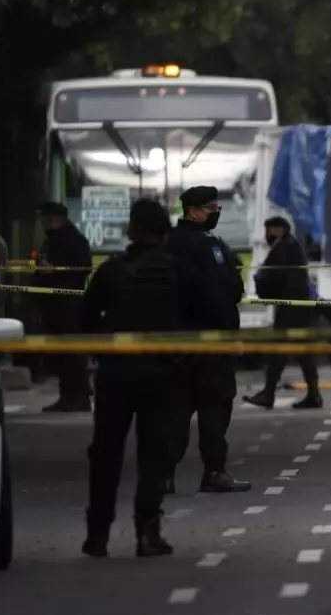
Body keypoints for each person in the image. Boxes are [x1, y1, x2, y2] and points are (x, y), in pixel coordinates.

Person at [79, 199, 227, 557]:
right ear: (164, 234)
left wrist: (106, 343)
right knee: (154, 454)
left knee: (106, 453)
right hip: (164, 374)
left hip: (115, 374)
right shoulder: (180, 272)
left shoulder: (111, 271)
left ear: (130, 231)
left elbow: (84, 320)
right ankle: (148, 532)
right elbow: (215, 314)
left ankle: (97, 535)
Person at [166, 185, 250, 494]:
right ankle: (214, 471)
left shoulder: (190, 242)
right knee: (212, 406)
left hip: (181, 343)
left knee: (177, 408)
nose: (216, 212)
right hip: (207, 341)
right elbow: (221, 289)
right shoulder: (196, 245)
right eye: (211, 207)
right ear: (193, 211)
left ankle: (165, 475)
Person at [243, 217, 322, 410]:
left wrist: (261, 281)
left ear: (280, 230)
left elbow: (272, 274)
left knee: (280, 351)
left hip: (291, 307)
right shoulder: (289, 245)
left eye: (270, 230)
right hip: (298, 307)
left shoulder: (284, 247)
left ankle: (269, 393)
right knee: (303, 353)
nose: (267, 234)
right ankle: (313, 394)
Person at [33, 202, 93, 412]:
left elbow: (83, 267)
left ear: (55, 218)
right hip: (53, 305)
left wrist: (55, 272)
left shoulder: (73, 240)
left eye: (46, 218)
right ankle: (67, 395)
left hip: (67, 305)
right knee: (60, 353)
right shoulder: (52, 239)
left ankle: (78, 396)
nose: (43, 222)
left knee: (71, 353)